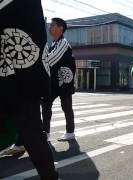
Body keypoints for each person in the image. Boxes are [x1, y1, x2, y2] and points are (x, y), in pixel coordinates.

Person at [0, 0, 59, 179]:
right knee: (30, 128)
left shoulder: (63, 44)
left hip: (21, 74)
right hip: (24, 73)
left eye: (56, 26)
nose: (52, 28)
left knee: (31, 128)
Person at [42, 17, 76, 141]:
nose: (50, 27)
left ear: (60, 28)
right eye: (50, 25)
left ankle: (70, 132)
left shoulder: (63, 42)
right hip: (54, 81)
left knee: (66, 106)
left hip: (64, 81)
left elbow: (50, 60)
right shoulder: (54, 43)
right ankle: (46, 132)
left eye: (53, 25)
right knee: (46, 104)